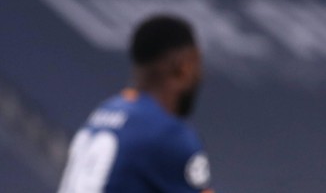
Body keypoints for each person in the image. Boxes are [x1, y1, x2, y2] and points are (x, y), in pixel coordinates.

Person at [57, 15, 213, 193]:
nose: (201, 75)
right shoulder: (167, 133)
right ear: (182, 66)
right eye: (198, 63)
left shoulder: (105, 112)